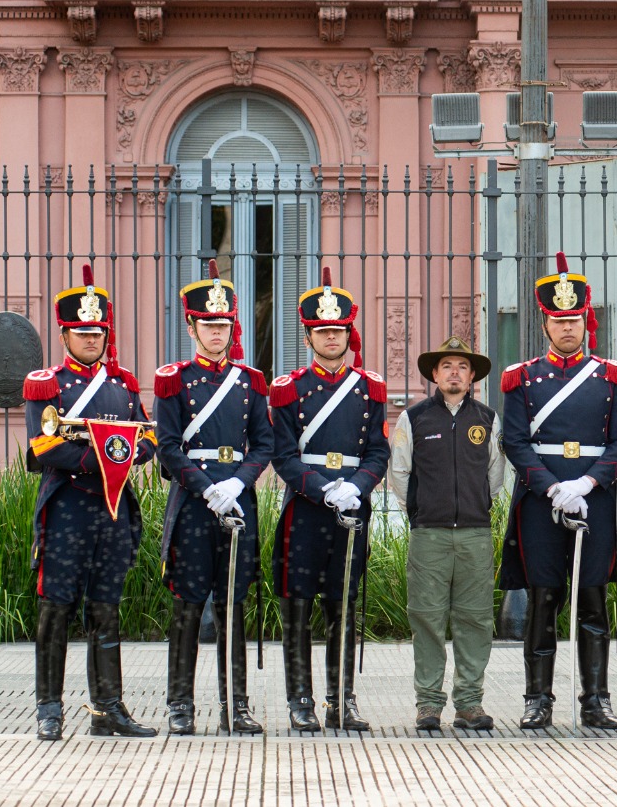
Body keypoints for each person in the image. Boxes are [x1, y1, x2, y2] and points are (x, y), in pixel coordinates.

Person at [498, 254, 617, 730]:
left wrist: (587, 482)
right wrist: (554, 487)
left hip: (593, 500)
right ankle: (538, 699)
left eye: (574, 319)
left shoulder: (610, 376)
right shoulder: (522, 378)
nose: (567, 327)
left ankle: (596, 699)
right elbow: (513, 440)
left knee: (593, 600)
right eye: (558, 320)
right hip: (542, 504)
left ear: (585, 320)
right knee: (543, 598)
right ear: (545, 323)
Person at [22, 265, 158, 741]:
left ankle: (108, 709)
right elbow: (42, 449)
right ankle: (49, 707)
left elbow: (146, 440)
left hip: (113, 510)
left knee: (105, 609)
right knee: (56, 608)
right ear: (64, 334)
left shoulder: (123, 386)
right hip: (67, 509)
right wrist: (100, 458)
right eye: (81, 332)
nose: (90, 338)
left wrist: (127, 454)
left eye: (97, 331)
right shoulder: (48, 384)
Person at [153, 260, 274, 736]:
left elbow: (263, 443)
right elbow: (166, 446)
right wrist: (206, 488)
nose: (217, 333)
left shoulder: (249, 382)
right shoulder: (174, 380)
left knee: (233, 605)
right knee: (187, 606)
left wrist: (238, 483)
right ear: (192, 326)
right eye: (209, 325)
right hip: (193, 503)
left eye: (224, 325)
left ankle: (235, 705)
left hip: (238, 501)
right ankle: (180, 704)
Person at [268, 268, 390, 732]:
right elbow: (282, 454)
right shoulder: (289, 389)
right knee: (297, 603)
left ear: (347, 333)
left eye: (337, 331)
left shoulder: (369, 387)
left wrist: (357, 485)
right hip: (305, 506)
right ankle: (301, 700)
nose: (331, 338)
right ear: (309, 336)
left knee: (343, 602)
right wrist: (323, 488)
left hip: (353, 506)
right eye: (323, 332)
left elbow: (378, 450)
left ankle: (342, 700)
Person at [389, 335, 505, 733]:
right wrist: (420, 511)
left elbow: (495, 475)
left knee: (475, 619)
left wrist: (475, 505)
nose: (454, 373)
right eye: (446, 367)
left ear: (472, 375)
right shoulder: (415, 418)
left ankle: (470, 703)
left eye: (462, 367)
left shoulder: (487, 418)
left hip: (474, 534)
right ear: (434, 374)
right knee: (427, 618)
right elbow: (400, 472)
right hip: (430, 536)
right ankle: (428, 705)